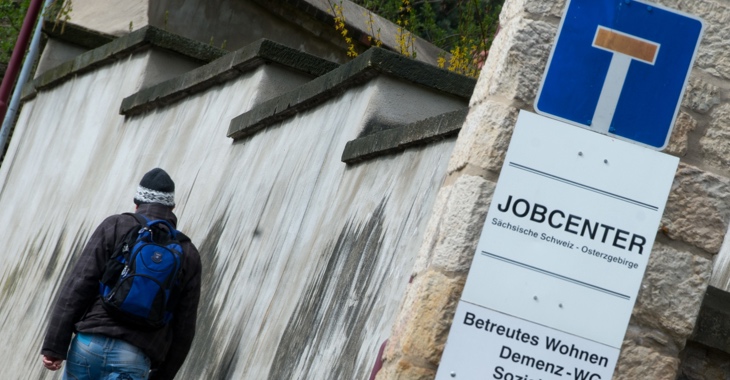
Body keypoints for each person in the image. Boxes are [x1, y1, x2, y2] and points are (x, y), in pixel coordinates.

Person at [41, 168, 202, 380]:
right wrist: (163, 375)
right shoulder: (188, 253)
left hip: (89, 344)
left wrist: (54, 346)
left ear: (137, 204)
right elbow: (184, 326)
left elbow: (79, 284)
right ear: (172, 208)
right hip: (135, 355)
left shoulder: (115, 225)